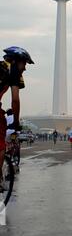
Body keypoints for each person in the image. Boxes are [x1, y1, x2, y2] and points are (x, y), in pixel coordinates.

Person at [0, 47, 34, 191]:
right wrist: (15, 122)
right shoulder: (13, 71)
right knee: (1, 144)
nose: (25, 68)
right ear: (15, 61)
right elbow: (15, 100)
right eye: (24, 64)